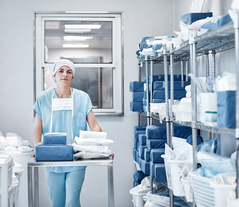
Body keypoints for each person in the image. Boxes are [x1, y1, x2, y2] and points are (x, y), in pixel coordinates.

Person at [32, 59, 113, 207]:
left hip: (75, 157)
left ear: (73, 76)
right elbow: (38, 127)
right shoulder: (43, 98)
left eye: (69, 71)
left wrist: (103, 149)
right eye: (61, 71)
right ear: (54, 75)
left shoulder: (82, 98)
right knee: (57, 203)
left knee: (72, 201)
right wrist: (37, 148)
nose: (65, 74)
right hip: (52, 157)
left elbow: (94, 126)